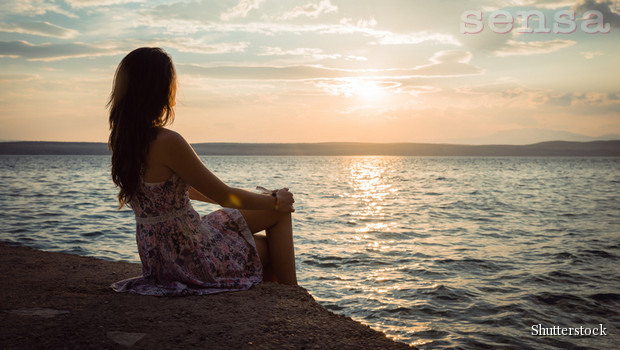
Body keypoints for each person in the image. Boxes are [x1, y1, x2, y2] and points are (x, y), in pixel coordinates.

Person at [108, 47, 297, 296]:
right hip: (190, 259)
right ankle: (295, 299)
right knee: (278, 216)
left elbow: (183, 191)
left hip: (160, 260)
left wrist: (260, 201)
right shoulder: (167, 141)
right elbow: (225, 196)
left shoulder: (122, 141)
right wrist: (275, 201)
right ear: (160, 90)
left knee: (262, 237)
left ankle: (284, 301)